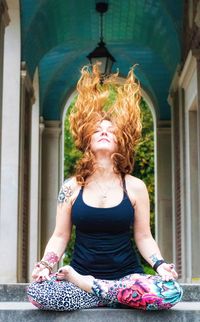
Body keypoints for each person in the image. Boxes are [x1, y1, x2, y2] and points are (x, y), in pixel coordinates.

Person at [27, 64, 183, 311]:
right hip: (84, 277)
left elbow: (143, 236)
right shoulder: (71, 187)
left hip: (124, 278)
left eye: (111, 130)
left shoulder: (135, 187)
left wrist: (160, 265)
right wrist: (46, 265)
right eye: (98, 129)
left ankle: (96, 290)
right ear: (86, 139)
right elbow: (60, 235)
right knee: (36, 292)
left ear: (121, 142)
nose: (104, 132)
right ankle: (107, 293)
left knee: (171, 293)